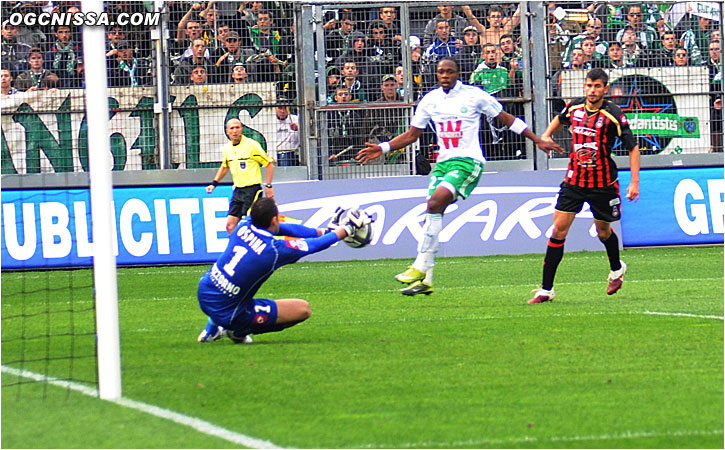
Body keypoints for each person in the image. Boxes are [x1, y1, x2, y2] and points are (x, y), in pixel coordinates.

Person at [356, 57, 562, 296]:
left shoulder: (474, 95)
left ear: (457, 73)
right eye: (441, 72)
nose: (445, 75)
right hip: (442, 164)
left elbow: (507, 118)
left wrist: (537, 140)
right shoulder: (430, 100)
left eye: (450, 71)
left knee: (433, 203)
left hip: (468, 162)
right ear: (436, 74)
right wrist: (382, 148)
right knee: (434, 211)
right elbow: (412, 134)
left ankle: (420, 266)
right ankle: (426, 280)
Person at [529, 68, 640, 304]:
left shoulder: (613, 115)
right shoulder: (575, 107)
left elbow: (632, 147)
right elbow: (560, 119)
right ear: (584, 86)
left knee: (603, 232)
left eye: (597, 86)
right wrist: (547, 135)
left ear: (605, 89)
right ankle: (546, 290)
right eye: (589, 85)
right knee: (558, 230)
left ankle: (616, 268)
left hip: (603, 184)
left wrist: (634, 182)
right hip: (574, 181)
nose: (592, 90)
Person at [196, 198, 370, 344]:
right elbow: (313, 246)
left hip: (204, 291)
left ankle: (212, 329)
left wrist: (324, 232)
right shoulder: (273, 250)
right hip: (231, 314)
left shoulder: (244, 223)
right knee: (302, 309)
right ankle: (236, 331)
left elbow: (288, 229)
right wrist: (347, 230)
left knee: (230, 292)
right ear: (273, 220)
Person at [207, 118, 275, 235]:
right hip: (238, 191)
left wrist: (268, 186)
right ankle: (234, 251)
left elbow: (269, 164)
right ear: (227, 131)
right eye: (232, 128)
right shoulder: (227, 148)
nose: (235, 131)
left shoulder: (252, 145)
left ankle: (253, 250)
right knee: (230, 225)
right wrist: (214, 183)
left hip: (252, 190)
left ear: (242, 129)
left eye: (237, 128)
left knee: (247, 225)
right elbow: (225, 166)